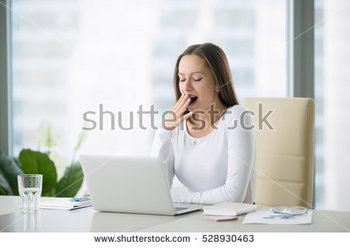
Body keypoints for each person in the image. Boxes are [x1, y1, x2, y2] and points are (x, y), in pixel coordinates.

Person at [151, 43, 256, 205]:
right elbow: (155, 190)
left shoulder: (238, 118)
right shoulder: (177, 125)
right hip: (193, 221)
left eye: (197, 79)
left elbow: (233, 196)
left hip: (232, 223)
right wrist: (164, 131)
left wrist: (178, 200)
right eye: (182, 79)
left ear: (217, 83)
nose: (186, 87)